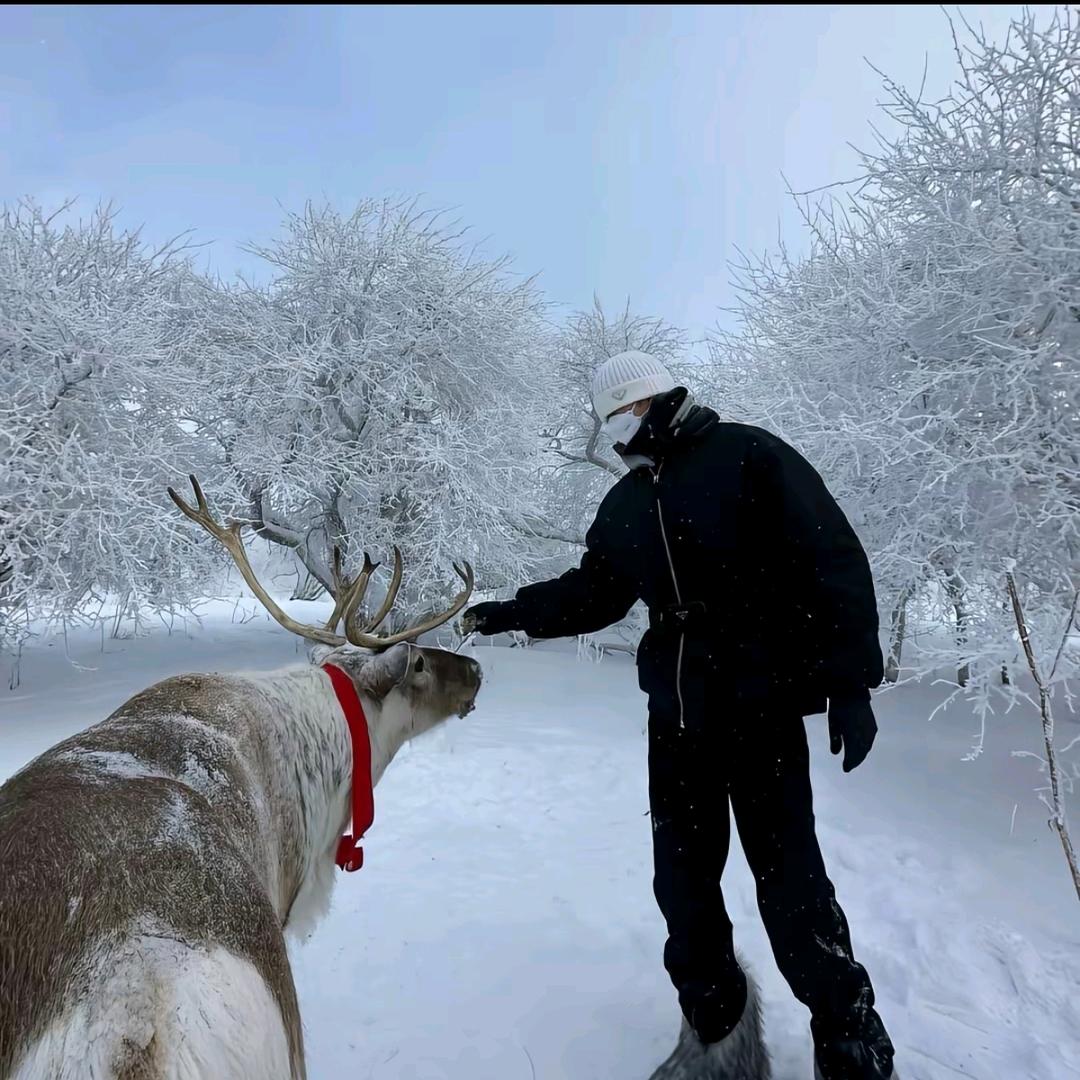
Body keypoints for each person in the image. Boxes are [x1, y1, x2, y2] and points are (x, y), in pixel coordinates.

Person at [462, 352, 897, 1080]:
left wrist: (850, 682)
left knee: (791, 886)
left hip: (760, 709)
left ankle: (850, 1038)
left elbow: (833, 560)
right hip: (678, 720)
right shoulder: (629, 502)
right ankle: (717, 1034)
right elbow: (592, 594)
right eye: (613, 422)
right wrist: (509, 613)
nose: (620, 431)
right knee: (684, 887)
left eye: (625, 413)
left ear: (656, 400)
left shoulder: (749, 456)